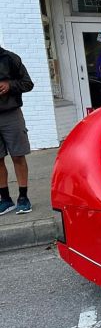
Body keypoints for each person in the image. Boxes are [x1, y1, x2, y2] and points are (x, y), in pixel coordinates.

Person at [0, 45, 34, 215]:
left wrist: (10, 85)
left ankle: (23, 197)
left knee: (18, 156)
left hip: (11, 114)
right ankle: (5, 200)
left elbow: (28, 83)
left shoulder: (10, 58)